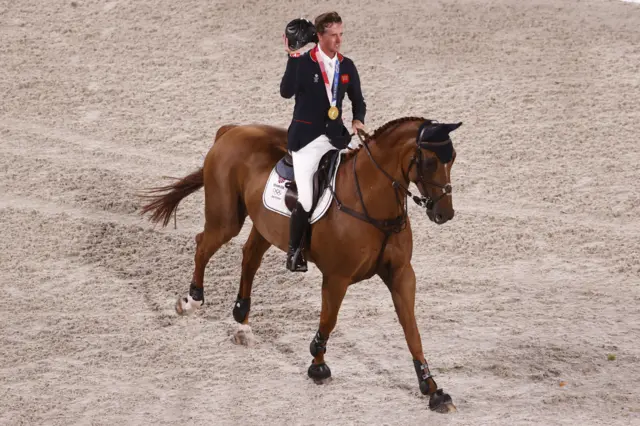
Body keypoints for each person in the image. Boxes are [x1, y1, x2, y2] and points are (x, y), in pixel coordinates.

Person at [280, 11, 367, 272]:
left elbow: (358, 100)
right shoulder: (304, 63)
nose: (339, 40)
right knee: (306, 198)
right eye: (333, 35)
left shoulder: (346, 65)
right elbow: (286, 92)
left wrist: (358, 120)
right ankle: (294, 252)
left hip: (336, 137)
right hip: (306, 140)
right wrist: (292, 57)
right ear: (319, 36)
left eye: (341, 34)